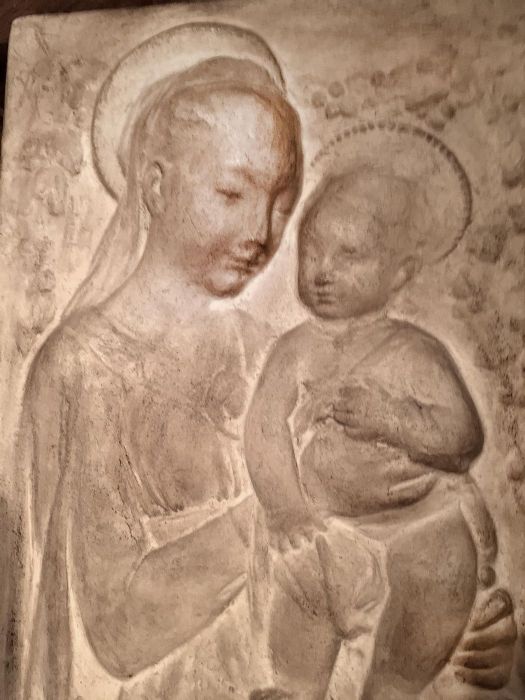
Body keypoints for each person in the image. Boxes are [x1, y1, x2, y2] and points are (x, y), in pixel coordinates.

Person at [9, 22, 302, 700]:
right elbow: (116, 631)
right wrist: (286, 507)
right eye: (232, 194)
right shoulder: (82, 367)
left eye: (280, 203)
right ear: (157, 186)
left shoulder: (268, 354)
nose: (262, 232)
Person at [245, 125, 517, 699]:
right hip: (330, 527)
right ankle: (296, 687)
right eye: (312, 249)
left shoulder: (415, 351)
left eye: (350, 255)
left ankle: (392, 687)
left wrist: (392, 419)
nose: (322, 269)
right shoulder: (295, 350)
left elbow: (463, 438)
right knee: (302, 590)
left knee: (434, 583)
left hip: (420, 524)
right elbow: (264, 427)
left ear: (400, 274)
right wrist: (287, 506)